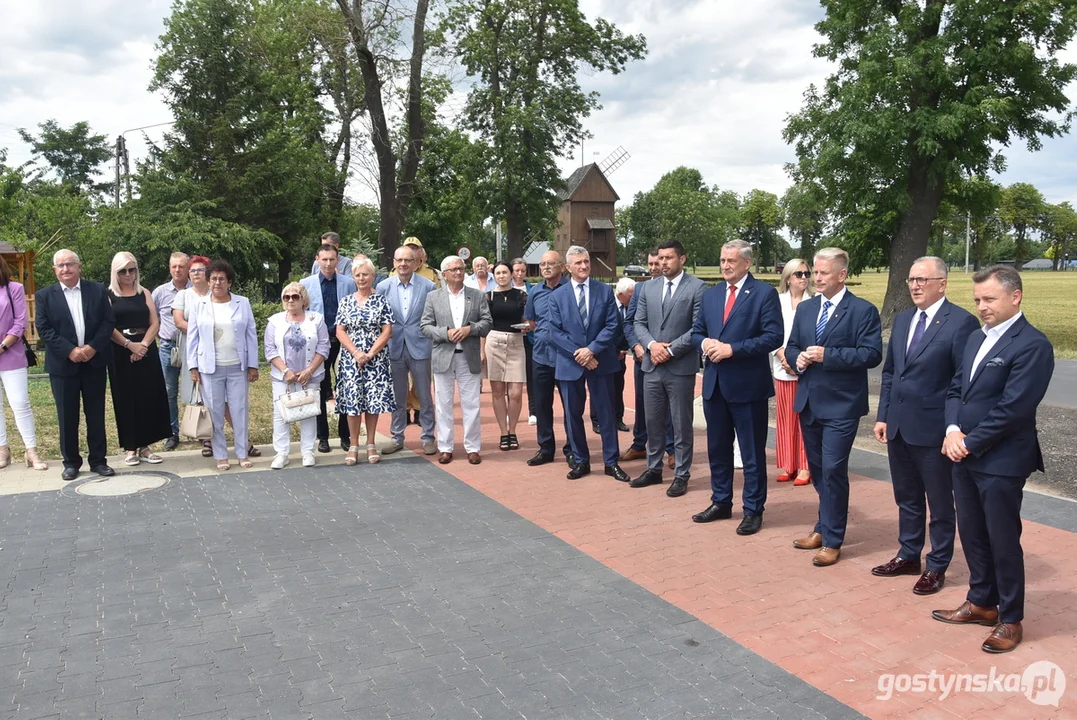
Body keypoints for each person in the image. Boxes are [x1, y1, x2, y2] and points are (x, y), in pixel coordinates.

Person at [934, 265, 1054, 654]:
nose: (982, 307)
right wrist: (952, 431)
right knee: (971, 532)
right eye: (977, 300)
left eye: (989, 299)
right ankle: (982, 601)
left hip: (1001, 460)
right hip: (963, 455)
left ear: (1015, 296)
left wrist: (969, 442)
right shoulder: (974, 338)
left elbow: (1014, 408)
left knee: (1003, 539)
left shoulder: (1032, 345)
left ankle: (1010, 618)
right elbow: (956, 389)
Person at [872, 257, 979, 595]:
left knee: (940, 502)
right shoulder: (903, 320)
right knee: (906, 496)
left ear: (942, 283)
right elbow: (891, 373)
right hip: (899, 427)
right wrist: (884, 414)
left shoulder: (961, 323)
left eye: (922, 279)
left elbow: (962, 383)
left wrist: (953, 427)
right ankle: (908, 554)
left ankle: (937, 564)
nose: (915, 286)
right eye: (911, 280)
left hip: (935, 429)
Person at [785, 247, 883, 566]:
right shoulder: (807, 309)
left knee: (833, 469)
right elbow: (793, 347)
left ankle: (833, 539)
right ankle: (822, 524)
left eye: (823, 272)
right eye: (815, 271)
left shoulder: (862, 311)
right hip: (810, 402)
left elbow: (871, 354)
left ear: (842, 275)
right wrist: (796, 358)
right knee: (817, 470)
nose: (816, 277)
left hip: (842, 405)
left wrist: (830, 356)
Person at [690, 240, 783, 535]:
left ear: (747, 262)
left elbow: (773, 336)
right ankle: (721, 501)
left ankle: (753, 509)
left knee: (752, 452)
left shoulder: (764, 294)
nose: (725, 265)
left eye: (731, 260)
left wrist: (733, 349)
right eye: (722, 260)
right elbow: (697, 332)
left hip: (747, 387)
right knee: (717, 449)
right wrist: (705, 344)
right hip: (715, 386)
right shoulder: (711, 294)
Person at [631, 239, 708, 498]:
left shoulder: (697, 287)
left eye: (669, 258)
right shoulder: (647, 289)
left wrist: (671, 349)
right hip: (652, 366)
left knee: (680, 423)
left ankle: (682, 474)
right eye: (660, 258)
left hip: (680, 366)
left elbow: (698, 327)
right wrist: (652, 346)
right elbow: (638, 323)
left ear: (682, 259)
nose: (663, 263)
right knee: (652, 421)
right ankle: (653, 469)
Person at [547, 246, 630, 482]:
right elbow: (554, 332)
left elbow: (613, 326)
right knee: (573, 414)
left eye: (586, 262)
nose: (583, 266)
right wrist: (580, 354)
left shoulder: (604, 291)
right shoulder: (557, 297)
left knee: (606, 413)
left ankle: (611, 462)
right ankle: (581, 461)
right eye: (578, 263)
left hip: (601, 361)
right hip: (570, 363)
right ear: (567, 268)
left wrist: (592, 350)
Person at [35, 249, 116, 481]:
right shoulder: (44, 296)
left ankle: (99, 461)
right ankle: (71, 463)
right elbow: (44, 329)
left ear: (79, 266)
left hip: (94, 362)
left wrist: (92, 347)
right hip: (62, 366)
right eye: (60, 265)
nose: (65, 269)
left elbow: (107, 321)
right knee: (67, 416)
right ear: (54, 270)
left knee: (96, 413)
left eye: (69, 264)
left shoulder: (97, 290)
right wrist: (70, 350)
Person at [188, 260, 260, 471]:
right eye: (213, 279)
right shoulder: (199, 305)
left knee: (239, 411)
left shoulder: (242, 303)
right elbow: (192, 338)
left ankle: (241, 452)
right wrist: (193, 367)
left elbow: (250, 335)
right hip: (210, 368)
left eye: (222, 279)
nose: (217, 282)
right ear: (208, 282)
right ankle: (220, 455)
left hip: (238, 366)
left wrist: (253, 365)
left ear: (229, 282)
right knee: (215, 413)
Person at [420, 255, 492, 465]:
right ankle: (445, 447)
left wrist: (471, 329)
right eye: (454, 270)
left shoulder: (477, 296)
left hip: (468, 356)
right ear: (444, 274)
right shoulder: (434, 297)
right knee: (443, 405)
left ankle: (472, 447)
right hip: (443, 356)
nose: (459, 273)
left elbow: (487, 322)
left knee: (472, 404)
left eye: (461, 269)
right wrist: (446, 333)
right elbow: (425, 326)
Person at [107, 252, 173, 466]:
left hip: (146, 349)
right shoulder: (107, 295)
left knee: (147, 396)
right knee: (126, 398)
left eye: (132, 269)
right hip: (120, 351)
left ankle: (145, 446)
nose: (128, 274)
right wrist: (128, 344)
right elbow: (107, 326)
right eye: (123, 270)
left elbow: (155, 322)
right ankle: (130, 448)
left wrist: (143, 345)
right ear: (115, 272)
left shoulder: (144, 292)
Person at [377, 244, 437, 457]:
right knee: (398, 396)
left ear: (416, 263)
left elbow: (433, 317)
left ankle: (428, 437)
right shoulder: (383, 287)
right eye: (399, 260)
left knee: (424, 395)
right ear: (394, 263)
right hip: (394, 348)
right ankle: (397, 437)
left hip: (420, 347)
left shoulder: (428, 286)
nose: (403, 264)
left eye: (408, 260)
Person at [335, 257, 396, 465]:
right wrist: (355, 353)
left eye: (365, 274)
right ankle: (353, 445)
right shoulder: (346, 301)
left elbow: (387, 330)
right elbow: (340, 330)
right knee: (352, 402)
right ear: (353, 277)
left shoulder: (381, 301)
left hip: (375, 359)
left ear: (373, 276)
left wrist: (369, 354)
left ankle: (370, 443)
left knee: (372, 401)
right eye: (358, 275)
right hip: (351, 359)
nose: (362, 278)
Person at [619, 249, 676, 467]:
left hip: (670, 357)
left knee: (670, 406)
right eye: (651, 263)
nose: (653, 267)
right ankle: (639, 445)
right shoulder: (641, 288)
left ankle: (672, 449)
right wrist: (636, 346)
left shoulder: (677, 287)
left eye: (657, 263)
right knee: (643, 404)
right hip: (644, 358)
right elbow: (630, 322)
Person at [265, 282, 330, 469]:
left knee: (308, 412)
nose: (291, 300)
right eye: (287, 297)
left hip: (310, 375)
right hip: (283, 377)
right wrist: (285, 370)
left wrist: (309, 370)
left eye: (295, 296)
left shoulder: (316, 319)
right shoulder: (275, 321)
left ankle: (308, 451)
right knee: (280, 413)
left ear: (303, 300)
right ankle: (281, 453)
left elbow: (324, 346)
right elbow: (269, 350)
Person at [302, 243, 357, 453]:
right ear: (317, 260)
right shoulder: (305, 284)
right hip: (318, 346)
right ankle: (322, 436)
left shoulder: (348, 283)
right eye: (324, 259)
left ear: (337, 260)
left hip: (344, 343)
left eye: (331, 259)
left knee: (344, 389)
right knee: (319, 390)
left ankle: (345, 435)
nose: (327, 263)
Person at [522, 251, 574, 467]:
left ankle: (573, 448)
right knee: (542, 405)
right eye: (542, 264)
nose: (545, 267)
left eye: (550, 263)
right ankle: (546, 448)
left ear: (562, 266)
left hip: (566, 357)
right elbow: (530, 320)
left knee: (571, 406)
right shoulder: (535, 291)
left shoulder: (571, 289)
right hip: (541, 355)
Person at [0, 255, 46, 470]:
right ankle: (3, 449)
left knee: (20, 403)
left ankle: (32, 451)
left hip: (11, 353)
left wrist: (3, 346)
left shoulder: (14, 288)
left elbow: (20, 323)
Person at [772, 259, 814, 486]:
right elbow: (770, 331)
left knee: (804, 419)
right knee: (785, 418)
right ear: (788, 277)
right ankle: (788, 464)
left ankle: (806, 466)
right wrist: (783, 357)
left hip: (805, 369)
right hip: (782, 368)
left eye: (807, 273)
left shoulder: (814, 302)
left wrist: (799, 361)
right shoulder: (777, 302)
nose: (804, 278)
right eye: (799, 274)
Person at [482, 261, 529, 451]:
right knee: (498, 391)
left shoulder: (522, 296)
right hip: (494, 342)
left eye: (505, 272)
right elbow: (484, 324)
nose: (501, 276)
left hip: (516, 342)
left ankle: (513, 430)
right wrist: (481, 350)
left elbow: (527, 319)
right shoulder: (488, 296)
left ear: (512, 274)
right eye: (498, 273)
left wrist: (527, 326)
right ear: (494, 275)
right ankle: (503, 432)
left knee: (516, 393)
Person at [151, 251, 190, 450]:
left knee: (198, 391)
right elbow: (152, 318)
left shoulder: (198, 290)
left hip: (193, 347)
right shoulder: (159, 292)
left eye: (181, 266)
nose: (177, 270)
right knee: (169, 391)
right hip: (168, 347)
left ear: (188, 268)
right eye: (174, 266)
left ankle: (199, 429)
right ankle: (172, 433)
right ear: (169, 268)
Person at [511, 257, 537, 425]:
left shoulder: (532, 289)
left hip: (529, 338)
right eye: (516, 271)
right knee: (512, 377)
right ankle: (511, 410)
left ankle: (533, 411)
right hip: (511, 337)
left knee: (531, 375)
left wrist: (530, 325)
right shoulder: (504, 288)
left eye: (522, 271)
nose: (520, 274)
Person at [611, 277, 635, 433]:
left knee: (618, 387)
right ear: (620, 294)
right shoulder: (609, 306)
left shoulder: (633, 306)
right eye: (631, 295)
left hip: (623, 354)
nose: (634, 299)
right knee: (603, 389)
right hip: (607, 353)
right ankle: (599, 420)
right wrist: (613, 350)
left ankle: (618, 418)